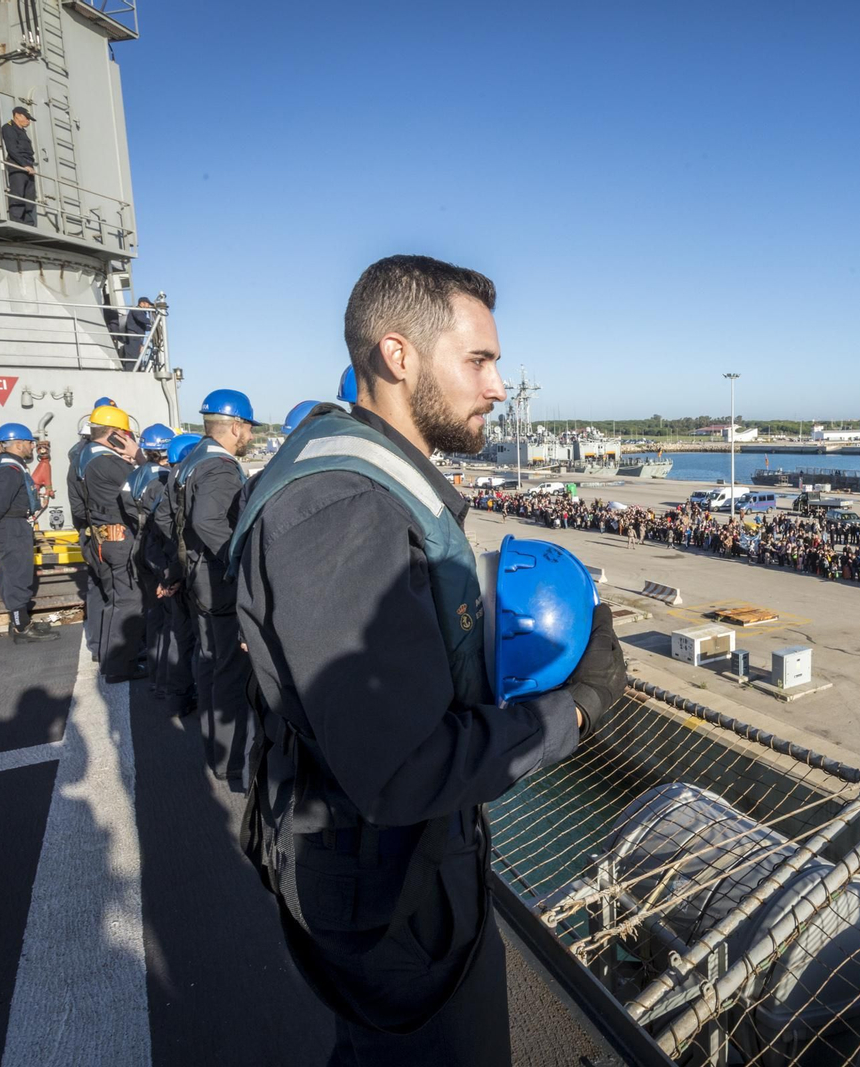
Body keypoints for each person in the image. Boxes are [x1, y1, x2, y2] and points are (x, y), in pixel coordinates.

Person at [232, 255, 626, 1066]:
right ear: (397, 355)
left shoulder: (359, 481)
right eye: (479, 359)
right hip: (391, 898)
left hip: (389, 873)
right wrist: (577, 707)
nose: (497, 386)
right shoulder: (342, 508)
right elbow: (404, 769)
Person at [174, 389, 258, 790]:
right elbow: (209, 520)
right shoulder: (222, 468)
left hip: (195, 579)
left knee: (208, 666)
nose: (252, 439)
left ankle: (214, 753)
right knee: (228, 671)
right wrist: (238, 558)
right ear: (236, 427)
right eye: (249, 430)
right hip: (216, 583)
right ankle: (230, 762)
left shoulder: (192, 459)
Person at [76, 404, 145, 682]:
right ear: (116, 434)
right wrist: (138, 455)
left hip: (102, 538)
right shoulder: (109, 462)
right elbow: (146, 483)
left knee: (114, 600)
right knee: (128, 601)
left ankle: (110, 657)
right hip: (119, 539)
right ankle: (119, 666)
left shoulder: (85, 456)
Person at [0, 422, 58, 644]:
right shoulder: (10, 470)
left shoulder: (6, 465)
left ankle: (20, 622)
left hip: (9, 525)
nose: (32, 447)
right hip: (11, 526)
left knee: (12, 574)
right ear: (19, 443)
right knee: (17, 575)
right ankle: (22, 628)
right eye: (30, 443)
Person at [147, 433, 203, 714]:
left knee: (177, 639)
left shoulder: (167, 487)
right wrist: (175, 577)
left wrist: (165, 577)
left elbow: (152, 543)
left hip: (171, 576)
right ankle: (192, 697)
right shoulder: (191, 487)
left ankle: (174, 698)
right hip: (185, 578)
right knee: (197, 644)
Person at [125, 424, 174, 686]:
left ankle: (156, 677)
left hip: (139, 544)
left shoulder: (137, 474)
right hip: (156, 549)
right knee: (166, 617)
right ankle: (164, 679)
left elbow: (124, 503)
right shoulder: (165, 478)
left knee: (152, 613)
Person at [68, 396, 115, 661]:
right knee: (113, 592)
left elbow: (77, 505)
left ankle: (99, 644)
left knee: (97, 588)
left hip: (89, 532)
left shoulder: (79, 456)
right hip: (103, 532)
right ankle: (110, 648)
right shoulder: (97, 460)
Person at [1, 105, 37, 225]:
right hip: (18, 164)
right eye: (26, 118)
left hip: (28, 165)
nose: (28, 121)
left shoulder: (22, 131)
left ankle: (28, 222)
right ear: (17, 115)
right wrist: (23, 165)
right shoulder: (8, 128)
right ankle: (16, 220)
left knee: (29, 195)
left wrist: (29, 166)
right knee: (18, 193)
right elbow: (12, 149)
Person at [122, 297, 155, 368]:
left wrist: (153, 327)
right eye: (148, 304)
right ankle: (129, 374)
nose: (149, 307)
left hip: (137, 338)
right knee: (132, 357)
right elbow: (141, 319)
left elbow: (142, 326)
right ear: (142, 303)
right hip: (133, 337)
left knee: (136, 357)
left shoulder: (141, 313)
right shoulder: (136, 310)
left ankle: (134, 371)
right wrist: (153, 322)